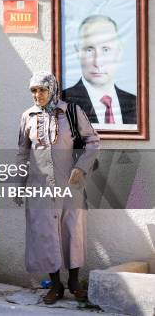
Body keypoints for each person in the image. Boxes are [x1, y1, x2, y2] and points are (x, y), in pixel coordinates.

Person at [17, 72, 100, 305]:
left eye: (42, 89)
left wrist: (81, 167)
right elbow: (22, 151)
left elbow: (93, 142)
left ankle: (74, 283)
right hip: (39, 186)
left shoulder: (71, 112)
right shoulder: (28, 116)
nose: (37, 95)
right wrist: (18, 183)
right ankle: (55, 285)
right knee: (45, 234)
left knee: (72, 231)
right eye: (33, 90)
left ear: (52, 89)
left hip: (70, 184)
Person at [62, 15, 136, 125]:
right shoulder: (62, 102)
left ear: (119, 52)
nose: (97, 63)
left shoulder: (136, 104)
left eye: (106, 49)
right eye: (89, 50)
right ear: (78, 52)